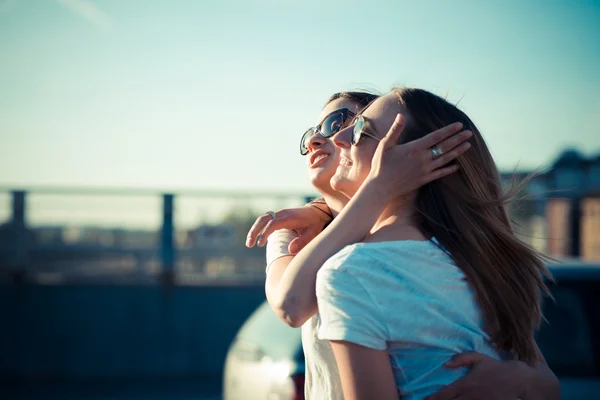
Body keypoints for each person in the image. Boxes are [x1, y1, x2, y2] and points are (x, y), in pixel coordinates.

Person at [246, 89, 560, 399]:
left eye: (345, 124)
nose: (330, 139)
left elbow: (541, 376)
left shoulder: (460, 255)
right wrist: (372, 190)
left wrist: (519, 378)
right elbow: (291, 303)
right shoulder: (293, 230)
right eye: (312, 133)